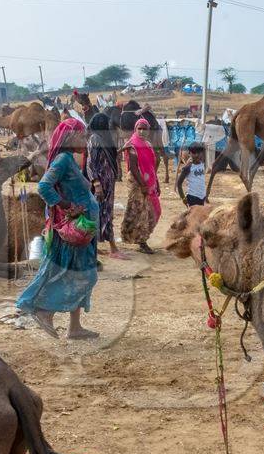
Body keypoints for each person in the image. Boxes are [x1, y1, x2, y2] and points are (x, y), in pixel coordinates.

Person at [16, 119, 100, 340]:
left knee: (79, 274)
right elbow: (44, 186)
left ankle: (75, 327)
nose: (85, 139)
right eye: (81, 135)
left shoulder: (70, 160)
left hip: (85, 230)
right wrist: (66, 205)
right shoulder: (63, 160)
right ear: (69, 138)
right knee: (83, 275)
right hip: (74, 231)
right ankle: (45, 311)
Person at [85, 112, 124, 259]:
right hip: (101, 184)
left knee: (105, 214)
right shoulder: (95, 139)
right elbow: (91, 163)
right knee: (103, 214)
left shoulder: (101, 138)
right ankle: (112, 248)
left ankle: (94, 246)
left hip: (107, 184)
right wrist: (96, 183)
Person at [121, 118, 161, 254]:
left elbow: (151, 166)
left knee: (155, 211)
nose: (142, 131)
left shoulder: (148, 144)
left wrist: (157, 183)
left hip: (149, 181)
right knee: (141, 212)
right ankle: (142, 242)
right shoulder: (132, 145)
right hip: (137, 182)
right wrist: (143, 185)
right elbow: (133, 167)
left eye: (145, 128)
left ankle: (141, 238)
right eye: (140, 128)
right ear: (135, 129)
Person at [175, 142, 207, 207]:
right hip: (193, 198)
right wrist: (183, 199)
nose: (197, 155)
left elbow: (204, 150)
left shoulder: (202, 163)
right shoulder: (188, 167)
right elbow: (179, 183)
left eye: (199, 152)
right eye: (194, 153)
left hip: (202, 197)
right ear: (190, 153)